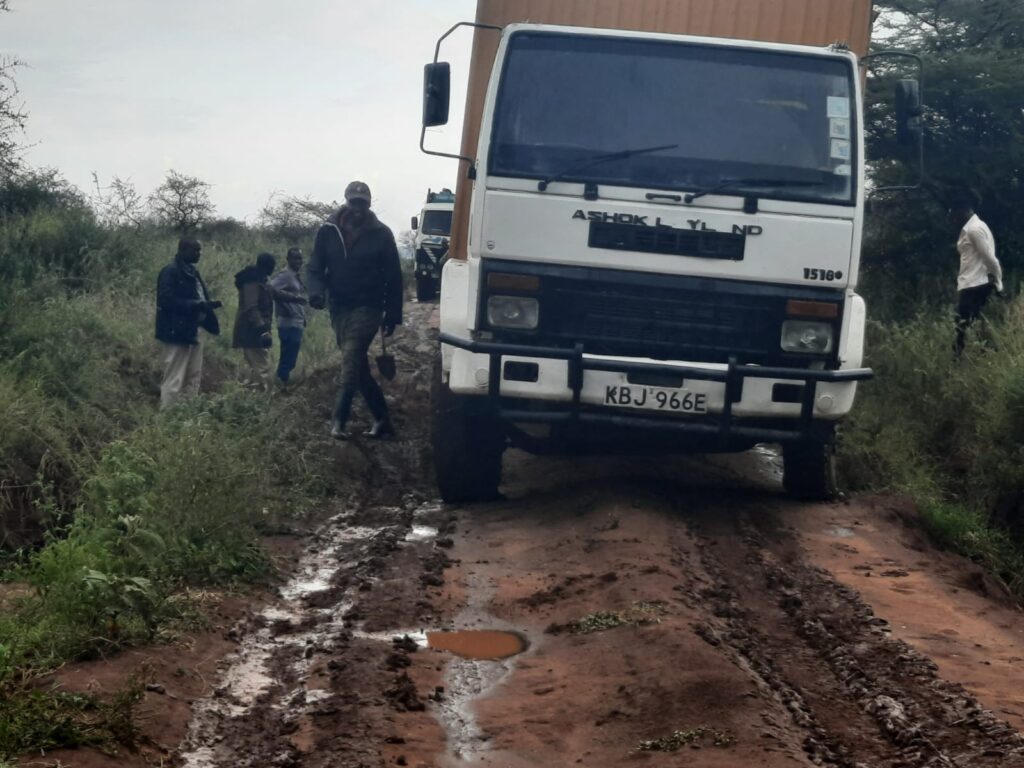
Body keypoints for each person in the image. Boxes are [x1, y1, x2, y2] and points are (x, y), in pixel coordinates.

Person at [308, 181, 403, 440]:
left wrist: (393, 314)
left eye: (363, 203)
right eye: (354, 203)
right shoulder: (328, 230)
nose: (358, 208)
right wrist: (316, 293)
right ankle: (383, 420)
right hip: (339, 308)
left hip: (369, 308)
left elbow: (394, 276)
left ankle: (337, 421)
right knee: (359, 367)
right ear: (346, 202)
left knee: (350, 359)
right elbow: (315, 266)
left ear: (369, 204)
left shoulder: (382, 234)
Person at [155, 238, 222, 409]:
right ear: (183, 250)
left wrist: (205, 307)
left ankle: (186, 416)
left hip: (194, 328)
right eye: (195, 250)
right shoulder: (170, 271)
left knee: (193, 375)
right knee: (175, 376)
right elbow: (165, 300)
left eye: (199, 250)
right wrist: (196, 305)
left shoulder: (192, 271)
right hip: (176, 331)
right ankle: (167, 416)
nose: (199, 254)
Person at [951, 191, 1002, 356]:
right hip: (970, 282)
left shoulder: (974, 229)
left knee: (962, 325)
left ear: (962, 211)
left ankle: (960, 358)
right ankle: (986, 353)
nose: (954, 219)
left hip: (975, 284)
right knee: (971, 323)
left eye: (955, 214)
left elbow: (989, 258)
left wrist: (998, 281)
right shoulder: (971, 228)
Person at [233, 252, 278, 386]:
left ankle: (254, 399)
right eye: (271, 266)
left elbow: (275, 293)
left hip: (253, 330)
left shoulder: (259, 280)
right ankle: (266, 398)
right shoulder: (251, 282)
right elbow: (251, 308)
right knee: (263, 367)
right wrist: (263, 330)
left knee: (255, 368)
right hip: (252, 331)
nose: (273, 269)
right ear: (265, 266)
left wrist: (295, 299)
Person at [270, 247, 307, 385]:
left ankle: (281, 382)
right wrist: (292, 299)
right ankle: (280, 382)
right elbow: (270, 288)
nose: (299, 261)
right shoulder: (285, 275)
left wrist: (303, 318)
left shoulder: (294, 276)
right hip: (287, 322)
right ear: (288, 259)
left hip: (296, 321)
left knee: (291, 356)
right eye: (295, 258)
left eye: (300, 258)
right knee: (288, 356)